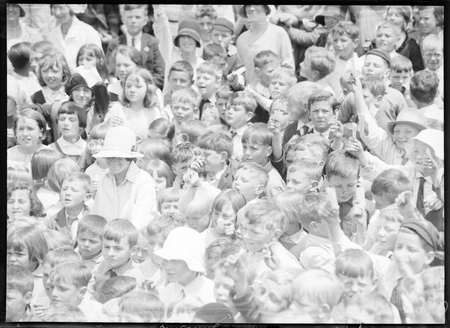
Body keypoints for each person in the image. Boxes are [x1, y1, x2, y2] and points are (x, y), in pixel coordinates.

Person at [91, 126, 157, 229]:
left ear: (129, 158)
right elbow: (97, 218)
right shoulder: (103, 180)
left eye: (118, 157)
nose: (113, 160)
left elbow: (138, 224)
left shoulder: (143, 181)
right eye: (109, 156)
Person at [154, 227, 216, 320]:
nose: (167, 266)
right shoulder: (166, 293)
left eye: (175, 260)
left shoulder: (212, 292)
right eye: (165, 259)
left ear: (192, 263)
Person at [107, 5, 165, 90]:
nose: (133, 21)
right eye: (129, 17)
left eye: (137, 17)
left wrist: (140, 87)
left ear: (145, 20)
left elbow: (160, 75)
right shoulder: (114, 44)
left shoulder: (154, 43)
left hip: (147, 91)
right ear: (123, 20)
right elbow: (110, 72)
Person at [236, 5, 295, 85]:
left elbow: (288, 68)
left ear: (266, 9)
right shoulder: (241, 39)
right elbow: (241, 70)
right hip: (251, 93)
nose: (252, 8)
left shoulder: (279, 33)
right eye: (248, 5)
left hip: (274, 93)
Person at [153, 7, 205, 96]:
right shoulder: (171, 56)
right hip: (169, 106)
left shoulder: (203, 65)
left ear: (197, 41)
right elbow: (163, 33)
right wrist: (159, 11)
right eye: (183, 36)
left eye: (190, 37)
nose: (186, 40)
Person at [89, 219, 146, 295]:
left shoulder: (135, 279)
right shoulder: (103, 264)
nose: (110, 253)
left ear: (132, 250)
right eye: (106, 247)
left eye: (118, 248)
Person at [105, 67, 162, 141]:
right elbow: (102, 133)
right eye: (128, 86)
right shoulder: (116, 108)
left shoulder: (154, 112)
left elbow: (158, 139)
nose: (132, 90)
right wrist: (107, 124)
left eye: (138, 86)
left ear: (148, 88)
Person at [47, 4, 102, 72]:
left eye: (61, 8)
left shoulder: (89, 33)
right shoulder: (52, 35)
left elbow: (99, 63)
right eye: (54, 8)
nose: (57, 12)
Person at [7, 224, 49, 305]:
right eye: (9, 253)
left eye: (19, 254)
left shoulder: (46, 277)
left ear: (36, 253)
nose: (12, 259)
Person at [45, 172, 91, 245]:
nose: (67, 193)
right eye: (64, 189)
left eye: (74, 190)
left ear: (87, 197)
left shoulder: (93, 219)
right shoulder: (53, 222)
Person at [242, 123, 285, 198]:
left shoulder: (272, 183)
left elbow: (276, 209)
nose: (247, 153)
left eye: (254, 148)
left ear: (268, 152)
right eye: (244, 147)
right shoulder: (244, 169)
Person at [384, 6, 424, 72]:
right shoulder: (377, 41)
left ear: (405, 20)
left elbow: (418, 72)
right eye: (389, 15)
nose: (392, 18)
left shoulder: (412, 46)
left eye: (397, 15)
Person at [282, 82, 322, 146]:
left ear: (305, 107)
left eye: (290, 105)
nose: (287, 108)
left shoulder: (321, 128)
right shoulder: (290, 129)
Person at [227, 91, 257, 161]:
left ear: (248, 116)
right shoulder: (223, 132)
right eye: (228, 108)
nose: (229, 112)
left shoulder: (250, 137)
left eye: (236, 109)